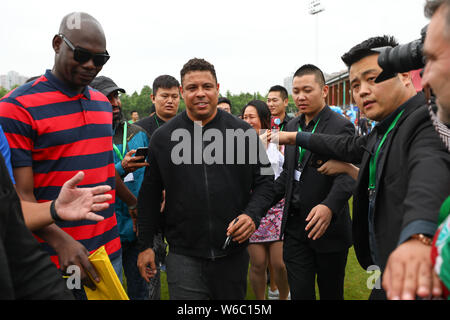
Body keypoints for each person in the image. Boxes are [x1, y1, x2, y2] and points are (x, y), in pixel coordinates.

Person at [275, 36, 450, 300]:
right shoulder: (383, 129)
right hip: (385, 266)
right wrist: (295, 137)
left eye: (372, 79)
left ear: (404, 76)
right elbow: (346, 146)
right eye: (355, 85)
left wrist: (418, 235)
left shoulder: (425, 120)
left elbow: (428, 176)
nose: (362, 91)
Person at [0, 12, 122, 297]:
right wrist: (60, 240)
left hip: (108, 253)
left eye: (100, 59)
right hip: (55, 260)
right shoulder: (16, 108)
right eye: (81, 55)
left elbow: (103, 174)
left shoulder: (103, 105)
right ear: (57, 44)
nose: (91, 65)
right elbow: (17, 202)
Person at [137, 58, 274, 300]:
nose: (200, 93)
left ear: (217, 88)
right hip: (183, 257)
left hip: (232, 254)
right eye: (192, 88)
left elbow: (265, 182)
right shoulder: (163, 138)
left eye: (207, 87)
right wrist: (146, 244)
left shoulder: (242, 134)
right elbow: (149, 195)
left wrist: (252, 214)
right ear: (182, 92)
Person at [270, 64, 354, 300]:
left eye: (307, 90)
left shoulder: (341, 126)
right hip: (296, 228)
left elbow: (346, 176)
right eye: (296, 91)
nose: (300, 97)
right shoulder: (292, 126)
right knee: (300, 293)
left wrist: (329, 206)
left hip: (328, 229)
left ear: (324, 91)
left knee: (331, 293)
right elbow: (288, 175)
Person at [90, 76, 151, 300]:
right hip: (104, 229)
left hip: (136, 226)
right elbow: (95, 175)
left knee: (140, 290)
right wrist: (121, 166)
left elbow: (148, 175)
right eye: (108, 97)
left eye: (116, 96)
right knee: (109, 293)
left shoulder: (138, 133)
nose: (115, 102)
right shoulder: (90, 134)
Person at [242, 100, 290, 300]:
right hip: (253, 209)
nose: (247, 121)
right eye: (244, 117)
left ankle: (283, 296)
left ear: (263, 119)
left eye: (251, 117)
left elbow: (286, 170)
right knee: (258, 263)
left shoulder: (278, 139)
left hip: (278, 208)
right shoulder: (239, 143)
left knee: (279, 263)